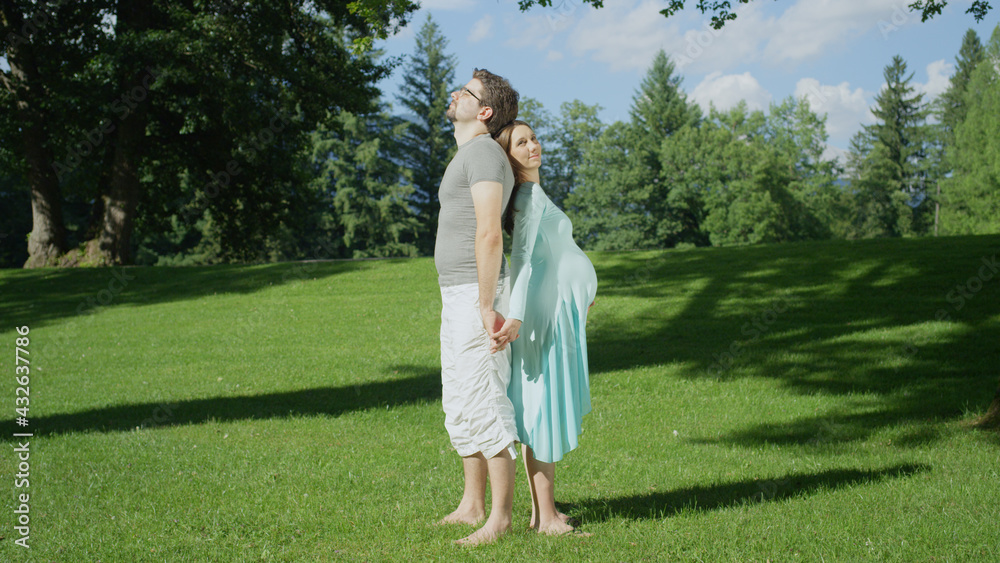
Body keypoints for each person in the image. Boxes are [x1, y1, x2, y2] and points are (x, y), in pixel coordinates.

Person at [491, 120, 598, 535]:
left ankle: (542, 512)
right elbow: (520, 259)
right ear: (509, 156)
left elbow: (552, 254)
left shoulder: (532, 194)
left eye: (533, 138)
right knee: (541, 408)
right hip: (541, 315)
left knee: (543, 405)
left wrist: (582, 286)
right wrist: (515, 315)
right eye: (522, 142)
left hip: (553, 307)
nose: (533, 145)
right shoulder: (527, 198)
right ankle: (547, 517)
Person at [434, 69, 521, 546]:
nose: (454, 94)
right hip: (458, 292)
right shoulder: (469, 154)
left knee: (485, 398)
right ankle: (471, 506)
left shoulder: (485, 153)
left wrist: (487, 306)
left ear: (484, 110)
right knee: (461, 399)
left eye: (465, 91)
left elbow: (490, 231)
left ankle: (500, 520)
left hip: (476, 293)